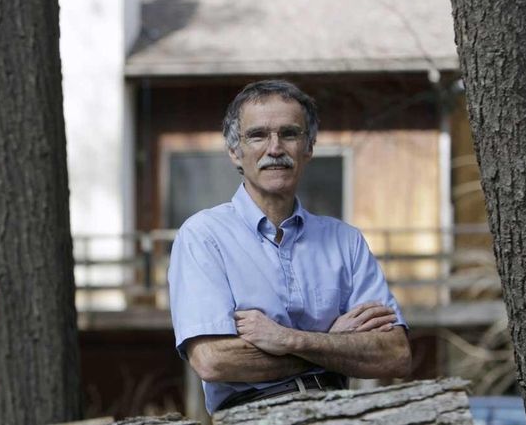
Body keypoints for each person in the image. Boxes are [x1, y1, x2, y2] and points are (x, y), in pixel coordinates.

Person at [167, 80, 411, 414]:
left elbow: (395, 354)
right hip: (252, 415)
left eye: (289, 134)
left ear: (308, 147)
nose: (275, 148)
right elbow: (214, 361)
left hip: (341, 412)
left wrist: (289, 339)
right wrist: (334, 345)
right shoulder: (204, 236)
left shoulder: (346, 241)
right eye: (258, 135)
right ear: (235, 152)